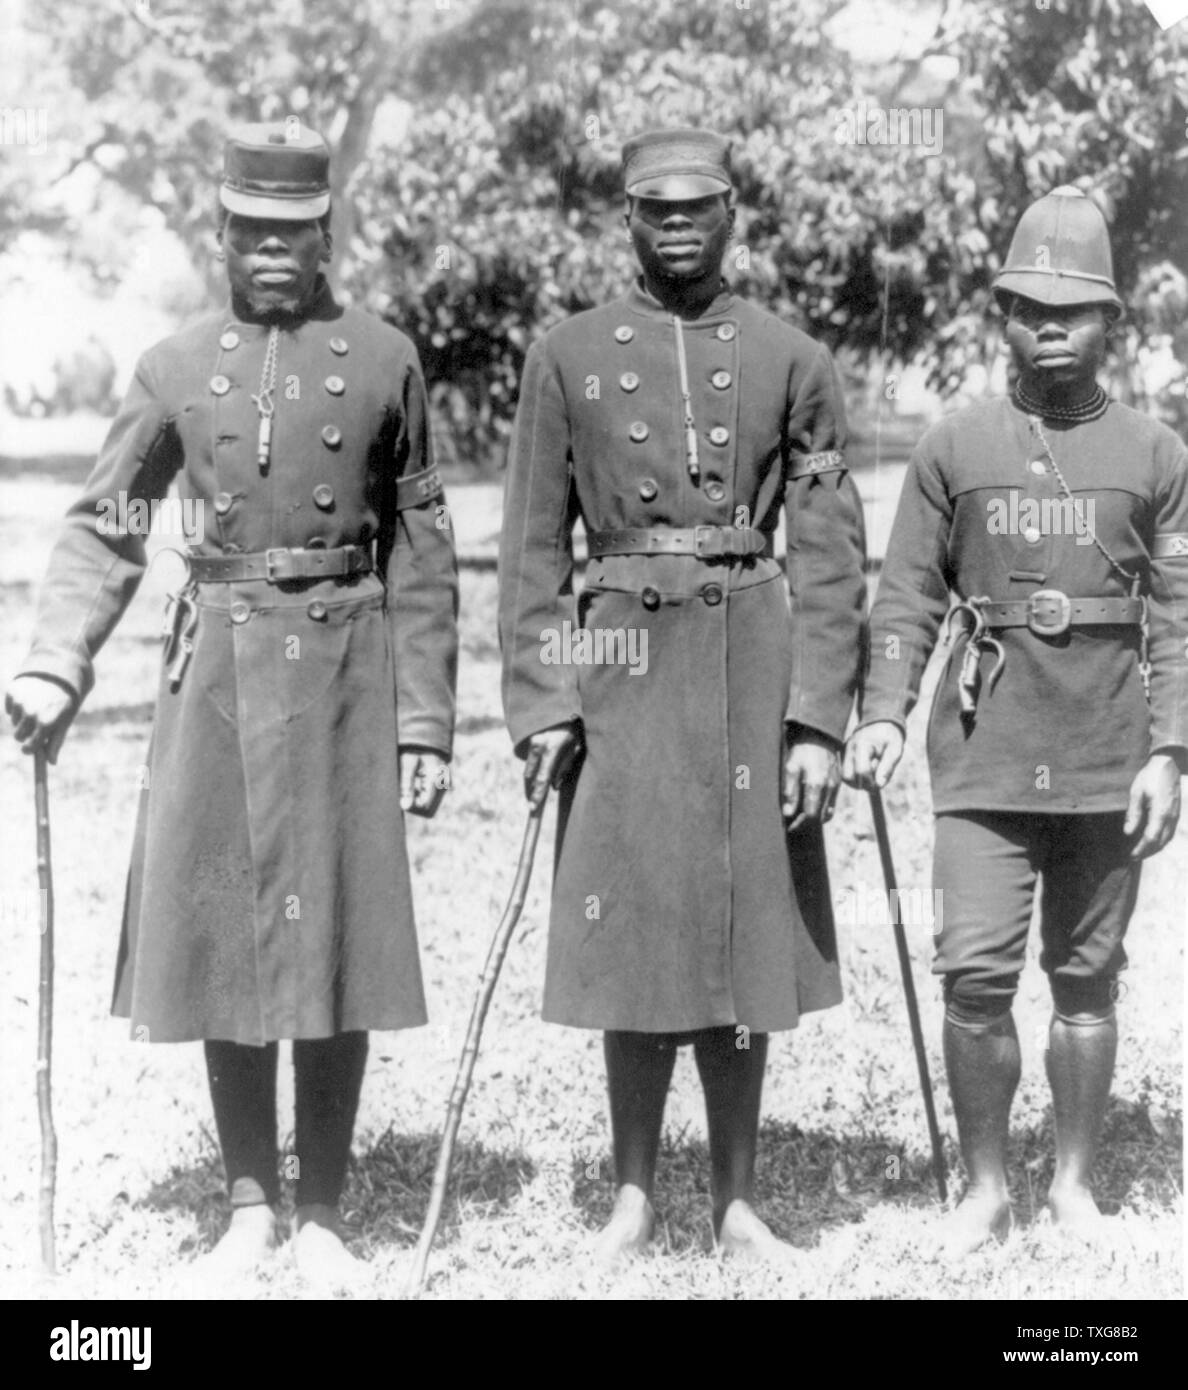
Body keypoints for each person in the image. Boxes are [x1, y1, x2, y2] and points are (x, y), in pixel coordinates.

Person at [5, 123, 459, 1290]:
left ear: (324, 237)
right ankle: (250, 1202)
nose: (272, 252)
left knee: (338, 936)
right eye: (251, 232)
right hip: (216, 675)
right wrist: (58, 658)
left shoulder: (383, 357)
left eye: (293, 234)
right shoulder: (174, 365)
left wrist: (424, 718)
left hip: (348, 671)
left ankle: (324, 1212)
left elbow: (422, 542)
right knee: (227, 943)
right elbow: (106, 520)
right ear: (221, 234)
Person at [498, 127, 867, 1263]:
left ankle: (740, 1201)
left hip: (748, 659)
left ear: (731, 217)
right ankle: (632, 1195)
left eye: (696, 208)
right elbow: (527, 546)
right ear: (626, 221)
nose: (675, 226)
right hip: (618, 662)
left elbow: (834, 547)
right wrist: (544, 700)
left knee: (744, 926)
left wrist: (816, 718)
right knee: (632, 923)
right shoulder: (565, 353)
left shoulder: (793, 356)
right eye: (654, 209)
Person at [844, 186, 1188, 1257]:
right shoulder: (955, 442)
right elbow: (903, 591)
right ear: (1001, 313)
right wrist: (886, 712)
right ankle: (987, 1186)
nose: (1050, 323)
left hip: (1106, 750)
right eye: (1028, 304)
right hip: (984, 745)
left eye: (1073, 307)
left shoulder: (1158, 453)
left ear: (1111, 323)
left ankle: (1073, 1186)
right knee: (976, 969)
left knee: (1087, 974)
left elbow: (1180, 613)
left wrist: (1172, 749)